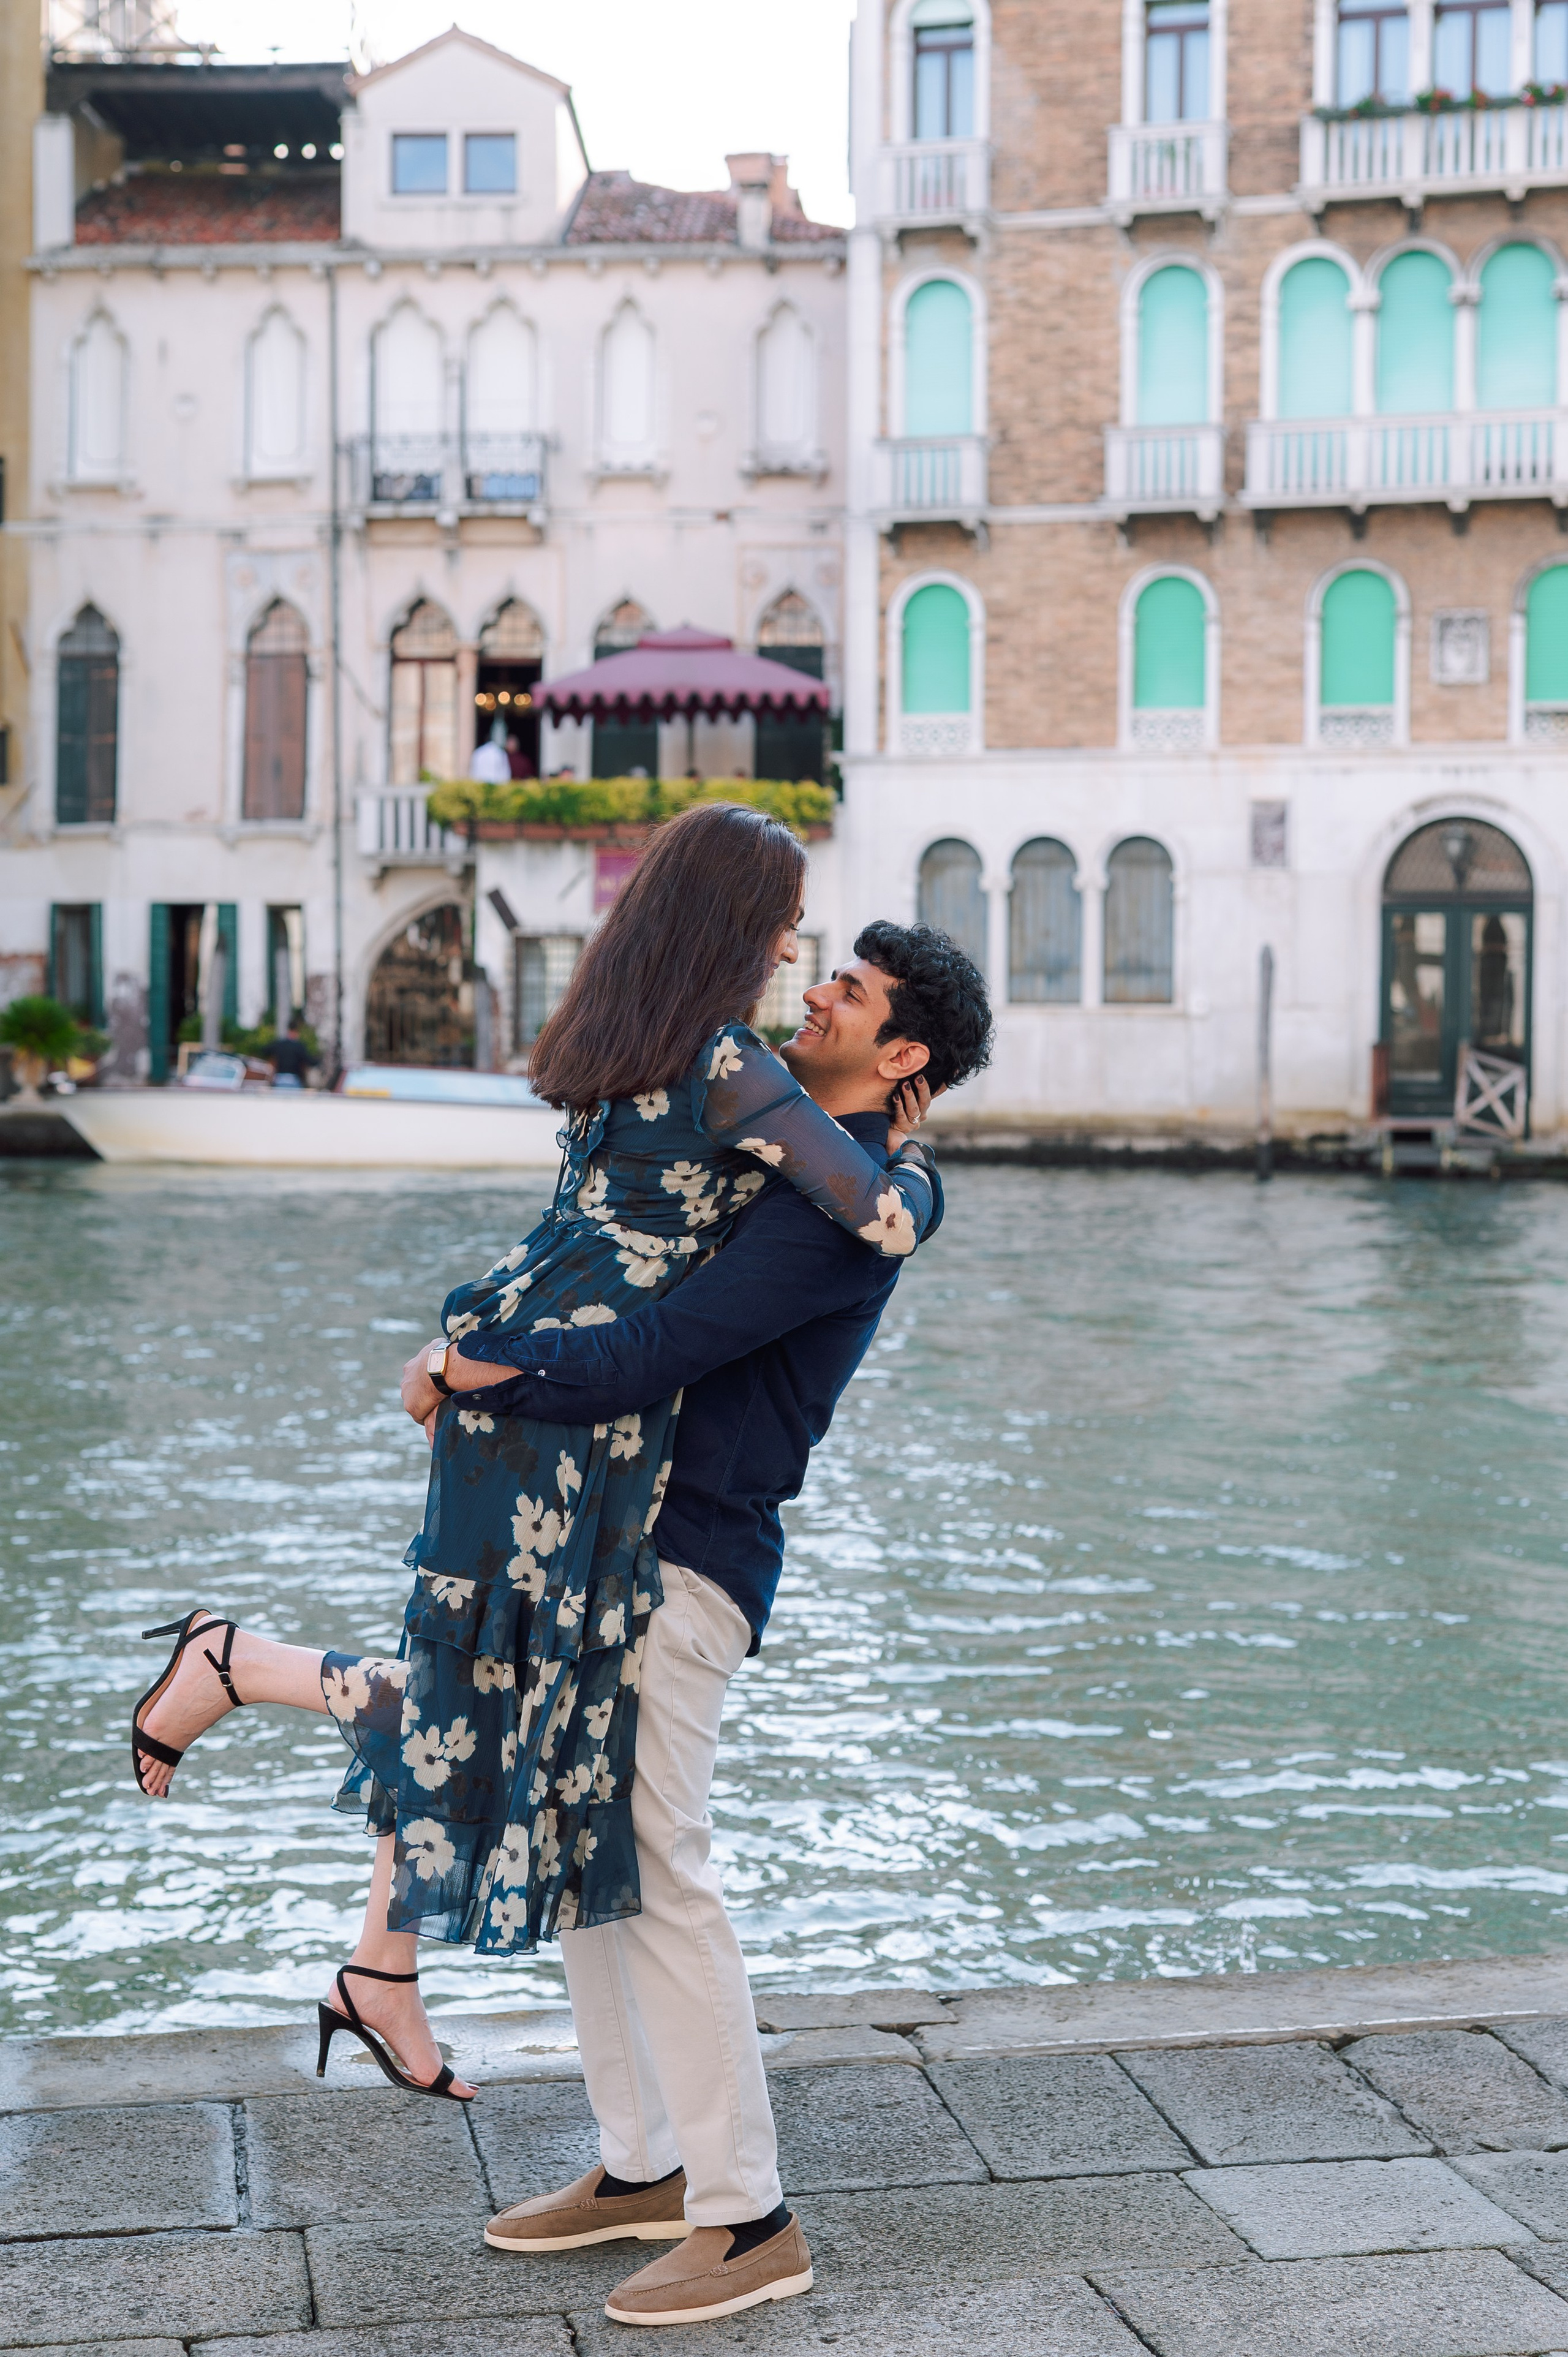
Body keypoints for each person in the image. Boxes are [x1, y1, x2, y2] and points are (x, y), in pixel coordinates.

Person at [129, 804, 940, 2123]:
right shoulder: (733, 1062)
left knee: (491, 1686)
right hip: (566, 1399)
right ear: (740, 924)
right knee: (501, 1704)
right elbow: (883, 1217)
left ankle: (338, 1873)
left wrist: (458, 1363)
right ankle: (246, 1691)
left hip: (517, 1358)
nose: (799, 943)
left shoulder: (625, 1025)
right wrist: (902, 1146)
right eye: (790, 920)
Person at [407, 920, 992, 2327]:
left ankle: (749, 2215)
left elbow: (664, 1349)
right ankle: (639, 2163)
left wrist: (480, 1364)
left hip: (692, 1551)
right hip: (620, 1534)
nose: (817, 992)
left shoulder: (844, 1207)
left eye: (846, 990)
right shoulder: (795, 1157)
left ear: (900, 1051)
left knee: (660, 1862)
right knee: (585, 1860)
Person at [265, 1019, 316, 1090]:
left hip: (280, 1079)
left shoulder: (279, 1044)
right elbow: (309, 1061)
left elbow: (265, 1050)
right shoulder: (299, 1046)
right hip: (294, 1080)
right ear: (297, 1032)